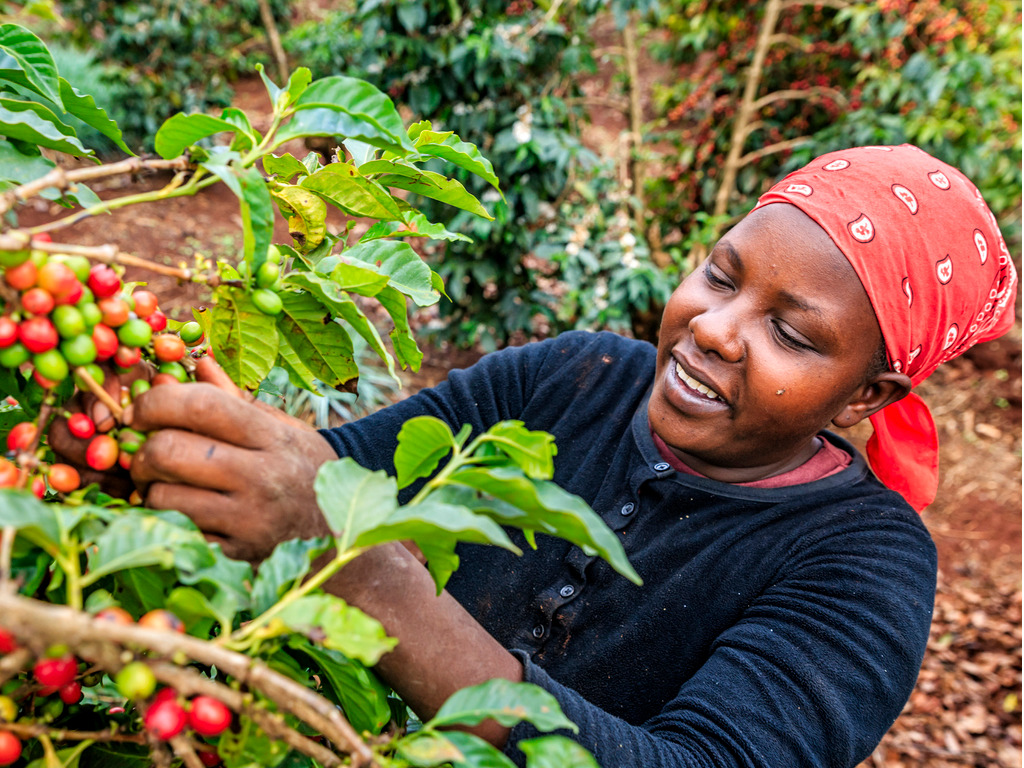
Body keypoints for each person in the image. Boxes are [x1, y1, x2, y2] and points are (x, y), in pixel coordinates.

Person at [51, 144, 1018, 767]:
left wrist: (366, 574)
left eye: (793, 336)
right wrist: (118, 418)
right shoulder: (574, 377)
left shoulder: (865, 566)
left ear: (865, 395)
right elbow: (320, 478)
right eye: (718, 276)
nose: (713, 330)